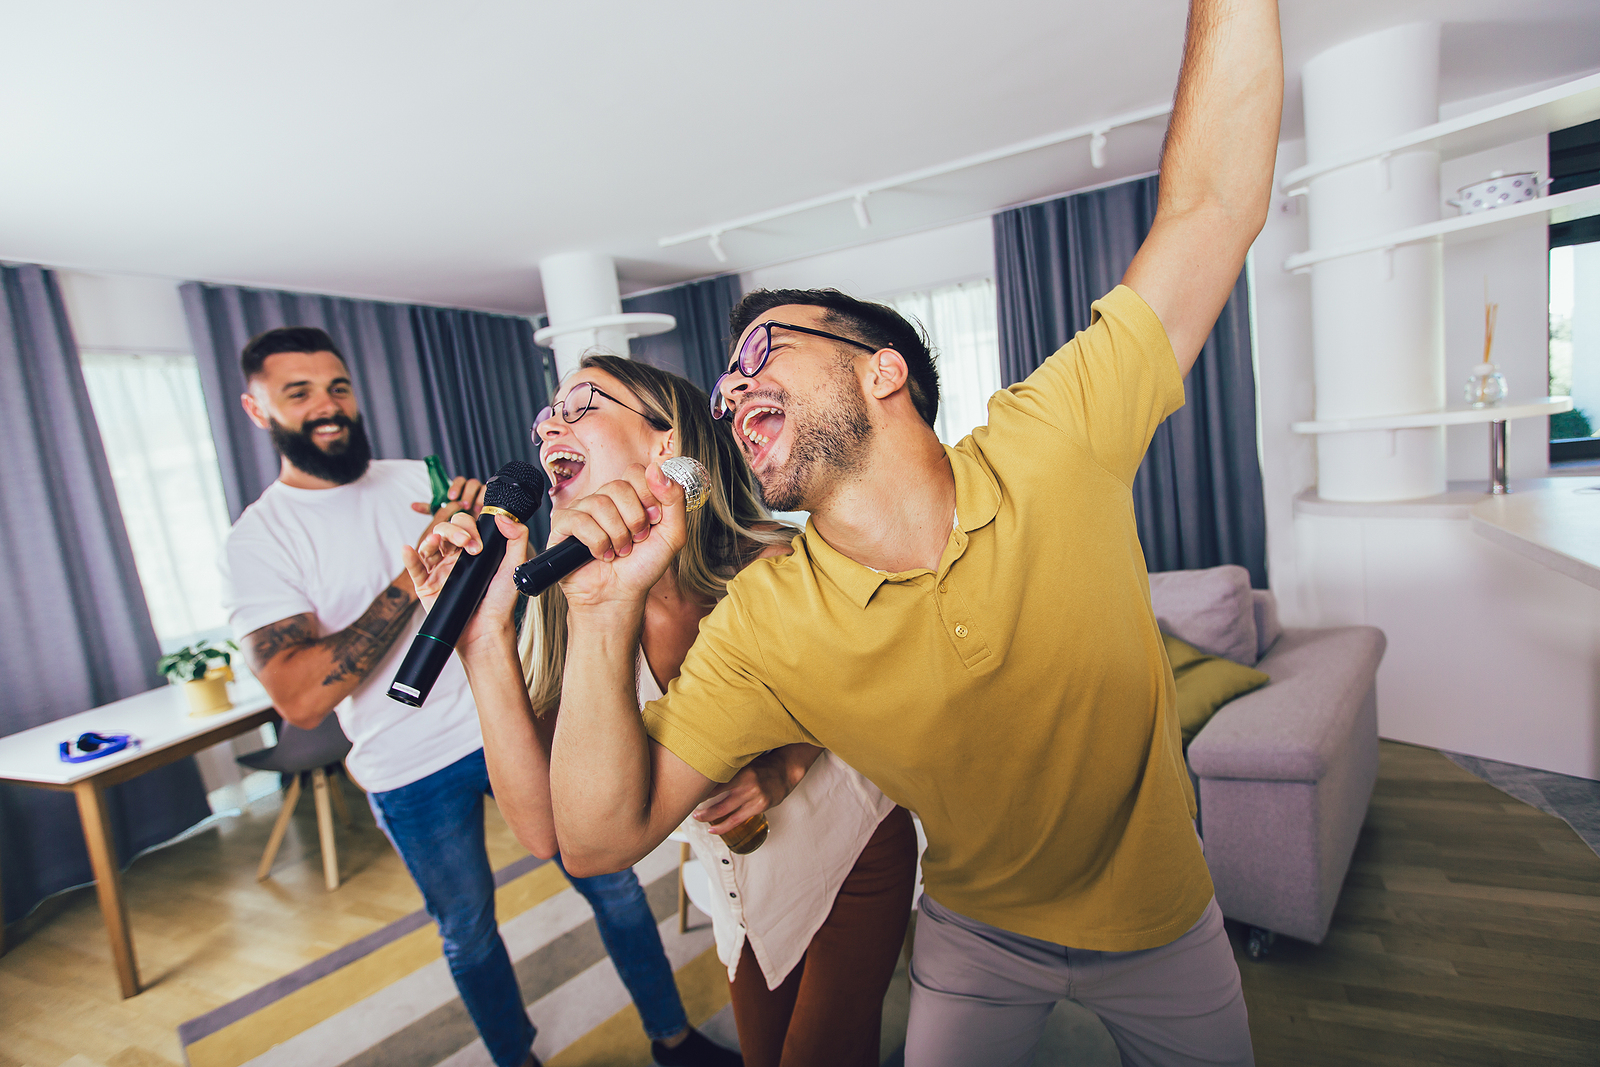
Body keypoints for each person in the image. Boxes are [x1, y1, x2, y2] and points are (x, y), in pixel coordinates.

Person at [521, 1, 1283, 1064]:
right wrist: (598, 615)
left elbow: (1209, 207)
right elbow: (602, 836)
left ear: (881, 370)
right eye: (728, 384)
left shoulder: (1049, 444)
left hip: (1167, 924)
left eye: (764, 352)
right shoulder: (770, 620)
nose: (734, 389)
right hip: (978, 936)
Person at [218, 327, 732, 1067]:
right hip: (407, 763)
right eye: (298, 392)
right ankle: (513, 1057)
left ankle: (672, 1034)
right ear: (256, 409)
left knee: (613, 884)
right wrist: (430, 594)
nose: (327, 406)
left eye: (337, 386)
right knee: (468, 926)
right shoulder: (259, 539)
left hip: (505, 719)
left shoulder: (420, 480)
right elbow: (299, 700)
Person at [407, 354, 917, 1067]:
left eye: (581, 402)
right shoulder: (567, 607)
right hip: (738, 882)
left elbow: (885, 685)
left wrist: (790, 759)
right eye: (545, 417)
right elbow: (549, 833)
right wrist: (480, 640)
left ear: (664, 444)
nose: (550, 421)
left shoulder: (770, 564)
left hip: (852, 842)